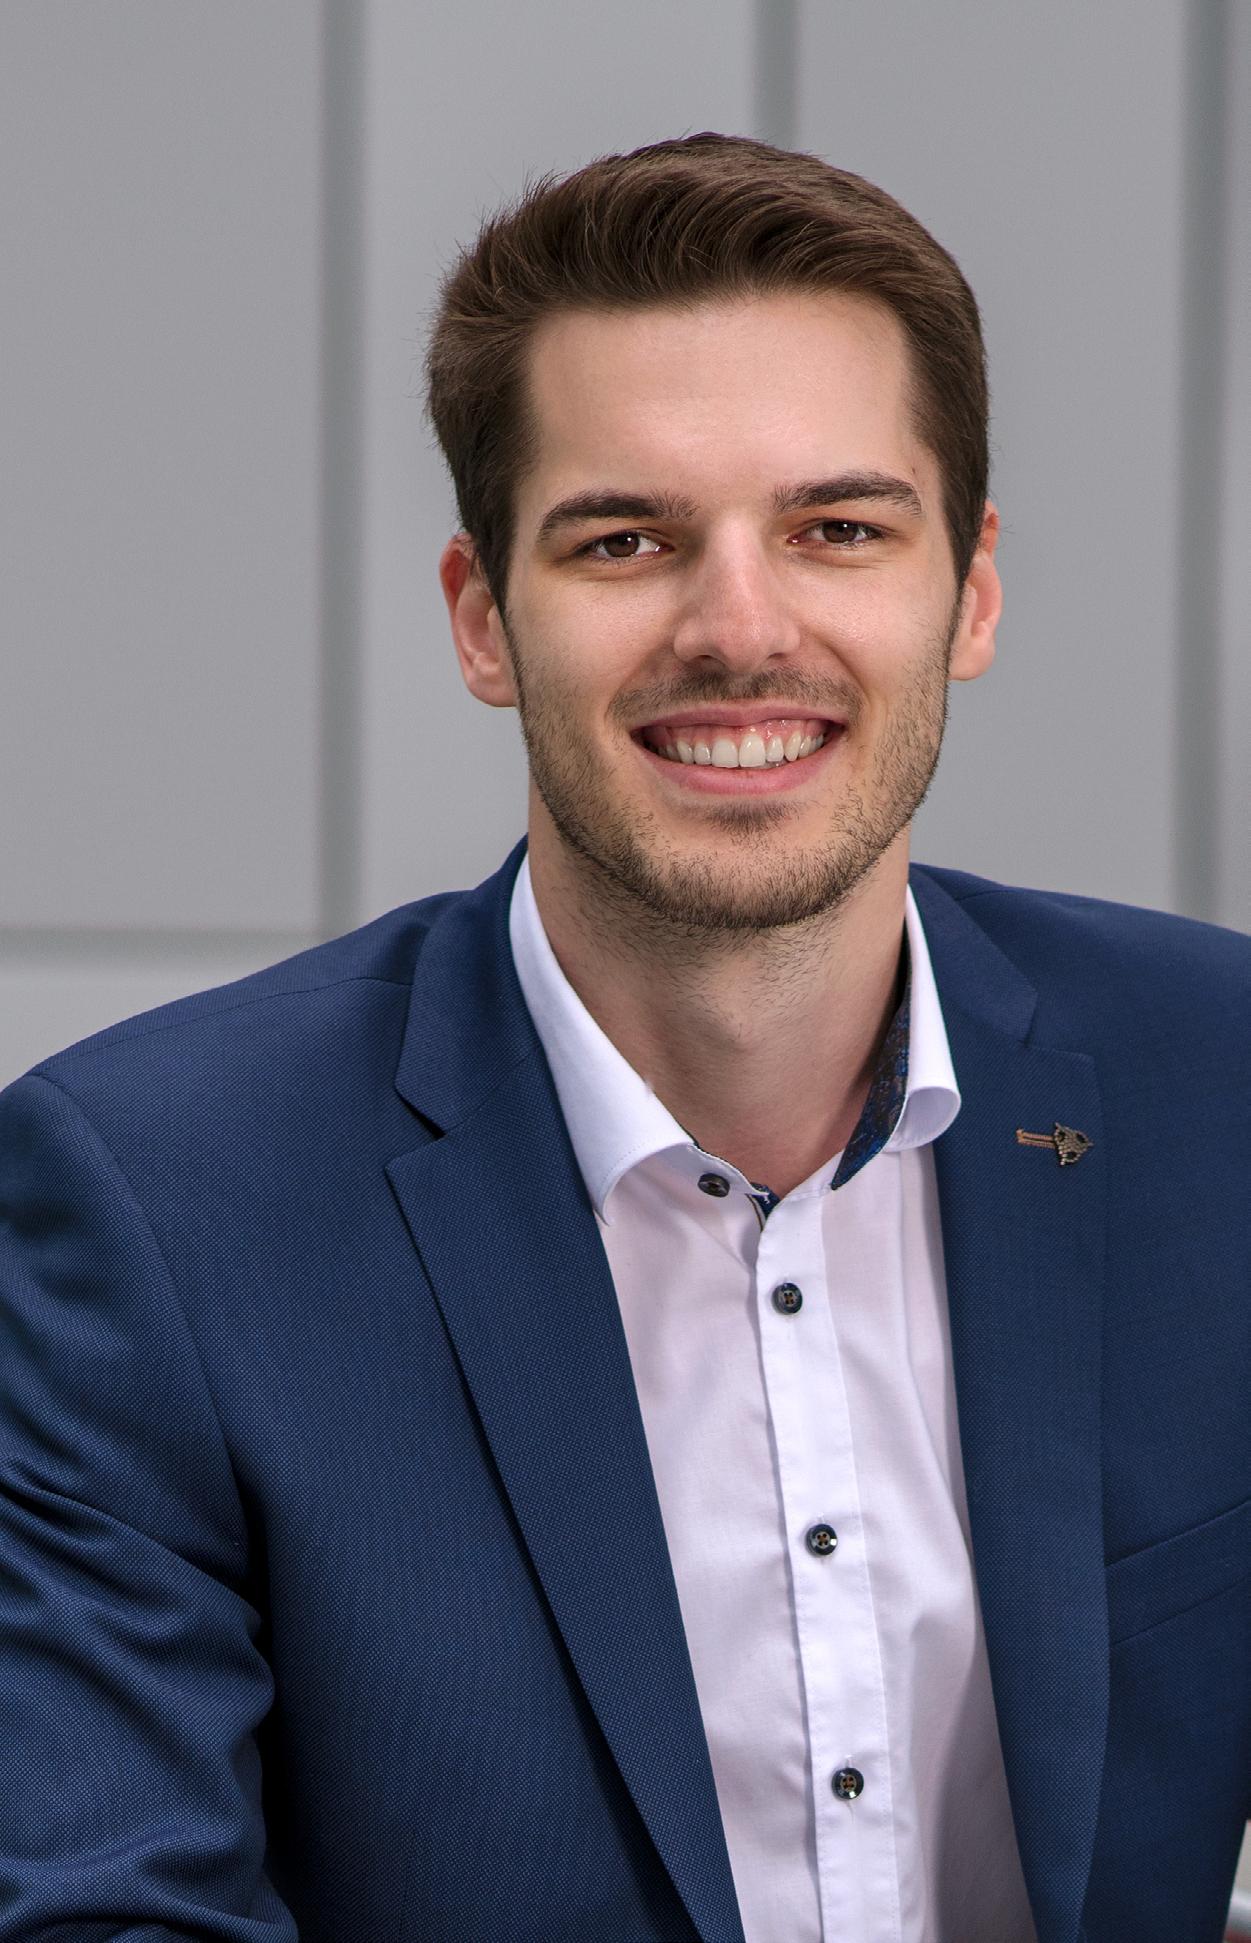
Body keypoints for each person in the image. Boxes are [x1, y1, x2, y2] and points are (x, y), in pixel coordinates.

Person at [0, 132, 1247, 1943]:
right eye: (625, 540)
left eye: (838, 529)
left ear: (969, 592)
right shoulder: (158, 1208)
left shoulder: (1223, 1092)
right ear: (482, 620)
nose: (739, 629)